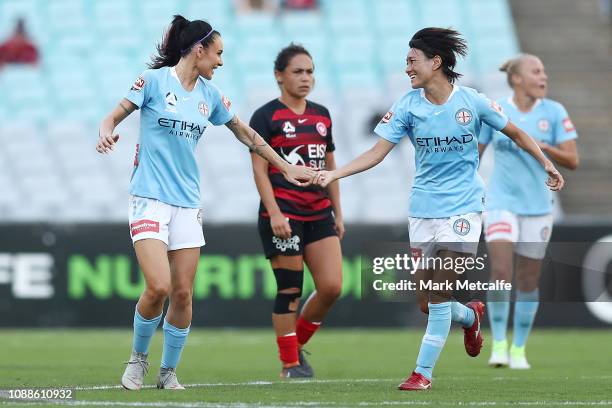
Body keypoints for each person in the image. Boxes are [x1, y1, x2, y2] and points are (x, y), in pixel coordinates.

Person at [313, 28, 564, 391]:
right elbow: (377, 152)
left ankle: (422, 373)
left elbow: (517, 133)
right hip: (423, 210)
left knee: (441, 291)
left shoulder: (472, 102)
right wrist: (334, 173)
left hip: (463, 209)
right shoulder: (407, 105)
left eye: (412, 61)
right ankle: (471, 316)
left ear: (436, 62)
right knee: (427, 302)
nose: (407, 69)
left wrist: (547, 164)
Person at [96, 15, 314, 390]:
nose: (221, 61)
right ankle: (138, 359)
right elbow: (113, 116)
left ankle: (168, 372)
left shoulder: (210, 96)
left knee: (183, 292)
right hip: (149, 199)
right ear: (199, 50)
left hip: (187, 203)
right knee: (159, 287)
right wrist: (106, 132)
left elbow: (246, 134)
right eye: (218, 53)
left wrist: (284, 167)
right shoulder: (153, 82)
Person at [249, 43, 343, 378]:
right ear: (279, 76)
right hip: (284, 212)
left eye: (310, 71)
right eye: (298, 71)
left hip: (319, 212)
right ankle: (290, 364)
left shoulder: (322, 115)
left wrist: (338, 212)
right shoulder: (265, 116)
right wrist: (274, 212)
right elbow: (260, 170)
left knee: (332, 286)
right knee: (290, 290)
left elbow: (330, 165)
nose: (306, 78)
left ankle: (295, 346)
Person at [479, 54, 579, 370]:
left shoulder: (554, 112)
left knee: (527, 279)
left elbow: (573, 160)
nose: (543, 77)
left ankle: (519, 349)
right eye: (537, 71)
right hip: (500, 203)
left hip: (538, 208)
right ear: (517, 78)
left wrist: (542, 147)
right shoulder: (498, 110)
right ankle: (497, 344)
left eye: (544, 72)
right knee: (500, 272)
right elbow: (475, 156)